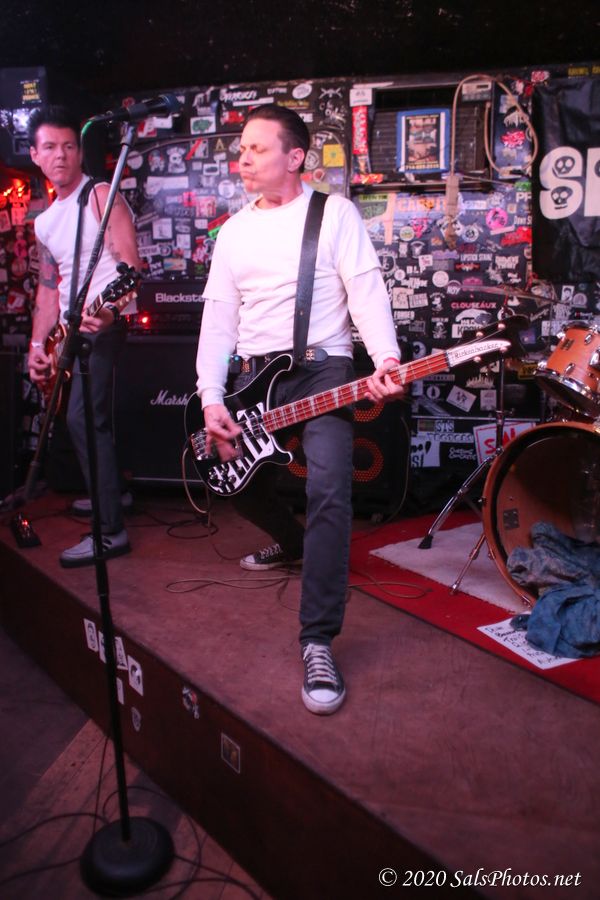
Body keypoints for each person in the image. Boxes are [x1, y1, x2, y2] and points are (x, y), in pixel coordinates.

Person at [196, 104, 404, 715]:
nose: (243, 159)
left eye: (257, 148)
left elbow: (366, 289)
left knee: (330, 489)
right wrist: (211, 396)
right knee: (236, 485)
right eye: (241, 148)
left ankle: (317, 640)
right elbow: (218, 320)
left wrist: (386, 359)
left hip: (323, 370)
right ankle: (291, 544)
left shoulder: (333, 214)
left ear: (295, 157)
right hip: (252, 378)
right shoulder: (233, 232)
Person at [27, 105, 140, 568]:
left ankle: (110, 531)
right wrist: (38, 346)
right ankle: (111, 494)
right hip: (68, 330)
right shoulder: (44, 221)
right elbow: (48, 288)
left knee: (82, 419)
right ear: (35, 155)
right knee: (84, 419)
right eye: (50, 147)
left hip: (104, 323)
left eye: (69, 146)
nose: (61, 155)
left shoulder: (100, 195)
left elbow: (131, 269)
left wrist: (110, 311)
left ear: (79, 151)